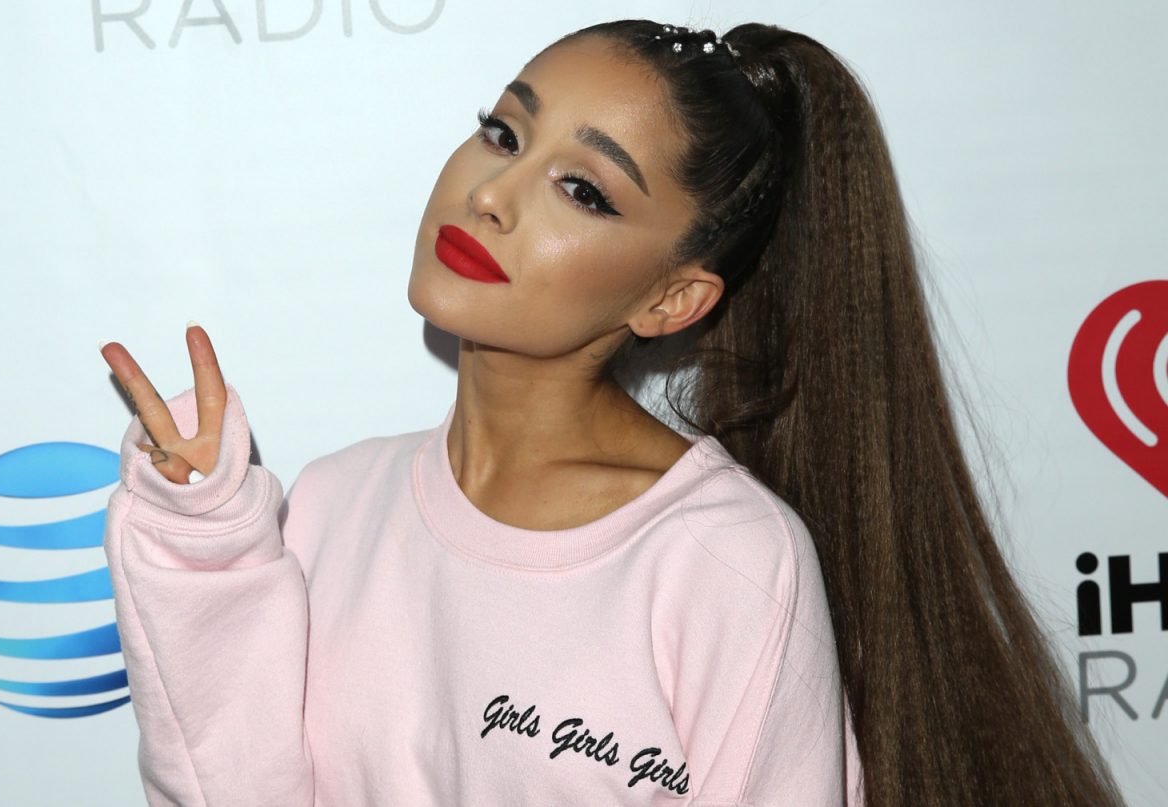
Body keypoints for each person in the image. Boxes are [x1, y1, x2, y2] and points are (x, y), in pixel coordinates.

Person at [99, 19, 1126, 807]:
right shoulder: (330, 504)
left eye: (583, 190)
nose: (492, 193)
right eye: (503, 130)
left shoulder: (721, 561)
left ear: (671, 299)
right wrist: (205, 547)